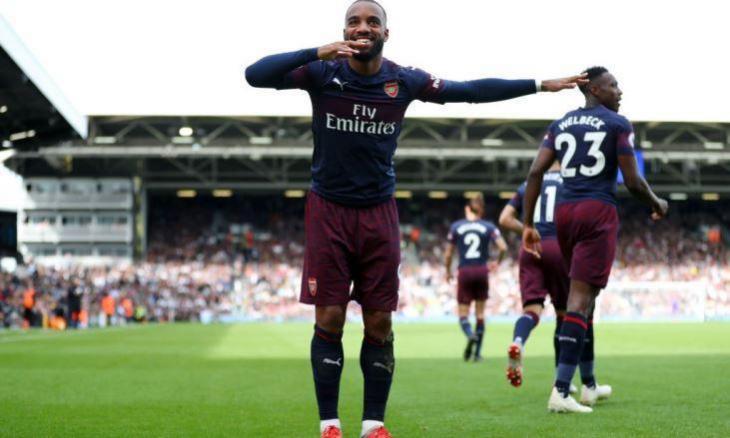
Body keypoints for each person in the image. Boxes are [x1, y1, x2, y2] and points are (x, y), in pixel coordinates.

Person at [246, 1, 586, 435]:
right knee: (329, 318)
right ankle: (329, 424)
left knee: (380, 321)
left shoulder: (402, 80)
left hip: (379, 213)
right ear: (344, 31)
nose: (363, 28)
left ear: (386, 33)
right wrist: (316, 51)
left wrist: (539, 85)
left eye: (373, 22)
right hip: (328, 211)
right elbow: (255, 75)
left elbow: (469, 90)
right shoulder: (322, 73)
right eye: (354, 22)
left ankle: (373, 425)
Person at [521, 66, 668, 413]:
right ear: (596, 90)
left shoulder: (560, 124)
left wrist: (527, 223)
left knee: (584, 300)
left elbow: (535, 171)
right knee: (580, 300)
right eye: (614, 85)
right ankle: (561, 391)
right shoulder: (618, 124)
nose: (620, 91)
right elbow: (632, 181)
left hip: (565, 213)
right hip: (596, 211)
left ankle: (588, 385)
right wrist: (657, 203)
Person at [445, 193, 506, 362]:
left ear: (467, 209)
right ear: (481, 211)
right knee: (480, 314)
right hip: (481, 270)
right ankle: (477, 354)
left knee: (463, 314)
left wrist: (447, 271)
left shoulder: (456, 226)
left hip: (465, 270)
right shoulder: (488, 226)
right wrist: (497, 263)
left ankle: (470, 334)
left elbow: (448, 254)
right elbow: (503, 247)